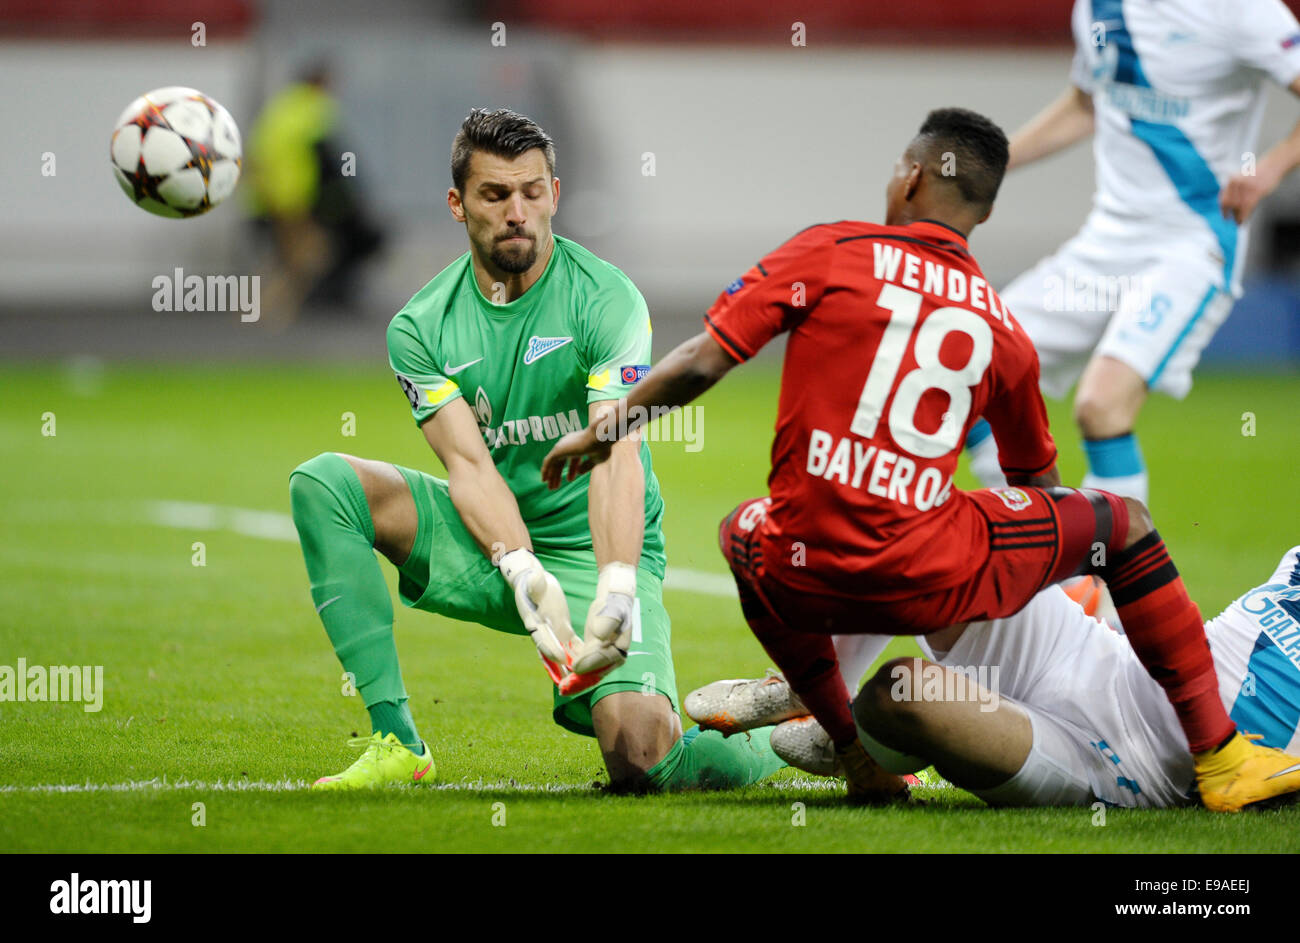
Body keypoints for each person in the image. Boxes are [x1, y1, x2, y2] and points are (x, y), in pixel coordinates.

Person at [541, 106, 1300, 812]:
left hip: (802, 564)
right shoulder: (1001, 325)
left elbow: (704, 360)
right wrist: (1048, 561)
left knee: (742, 530)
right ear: (987, 211)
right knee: (1119, 522)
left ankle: (828, 715)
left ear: (909, 177)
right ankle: (1222, 755)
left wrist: (605, 430)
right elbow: (1035, 485)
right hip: (932, 571)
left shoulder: (830, 250)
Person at [288, 108, 783, 792]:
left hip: (591, 544)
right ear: (458, 204)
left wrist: (615, 584)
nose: (517, 210)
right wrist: (520, 569)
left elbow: (615, 449)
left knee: (640, 757)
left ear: (555, 192)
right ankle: (397, 743)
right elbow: (468, 465)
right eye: (495, 194)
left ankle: (780, 738)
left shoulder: (605, 299)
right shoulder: (421, 327)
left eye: (531, 191)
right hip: (489, 537)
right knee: (326, 483)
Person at [964, 0, 1300, 504]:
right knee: (969, 363)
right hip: (1104, 244)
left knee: (1101, 406)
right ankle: (1050, 559)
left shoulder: (1242, 10)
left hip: (1193, 245)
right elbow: (1085, 105)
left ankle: (1109, 577)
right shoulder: (1097, 8)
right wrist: (992, 162)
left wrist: (1270, 167)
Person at [701, 547, 1300, 809]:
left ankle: (851, 736)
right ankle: (806, 689)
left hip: (1119, 766)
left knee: (903, 691)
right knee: (929, 560)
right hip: (1100, 658)